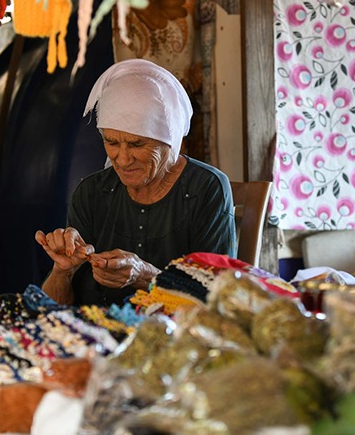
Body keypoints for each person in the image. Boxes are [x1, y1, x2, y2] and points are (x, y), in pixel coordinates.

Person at [37, 59, 237, 306]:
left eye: (137, 144)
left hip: (177, 329)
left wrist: (144, 276)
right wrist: (63, 270)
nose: (122, 159)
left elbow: (219, 300)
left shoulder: (206, 189)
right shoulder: (91, 193)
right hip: (94, 328)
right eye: (111, 142)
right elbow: (49, 310)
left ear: (169, 141)